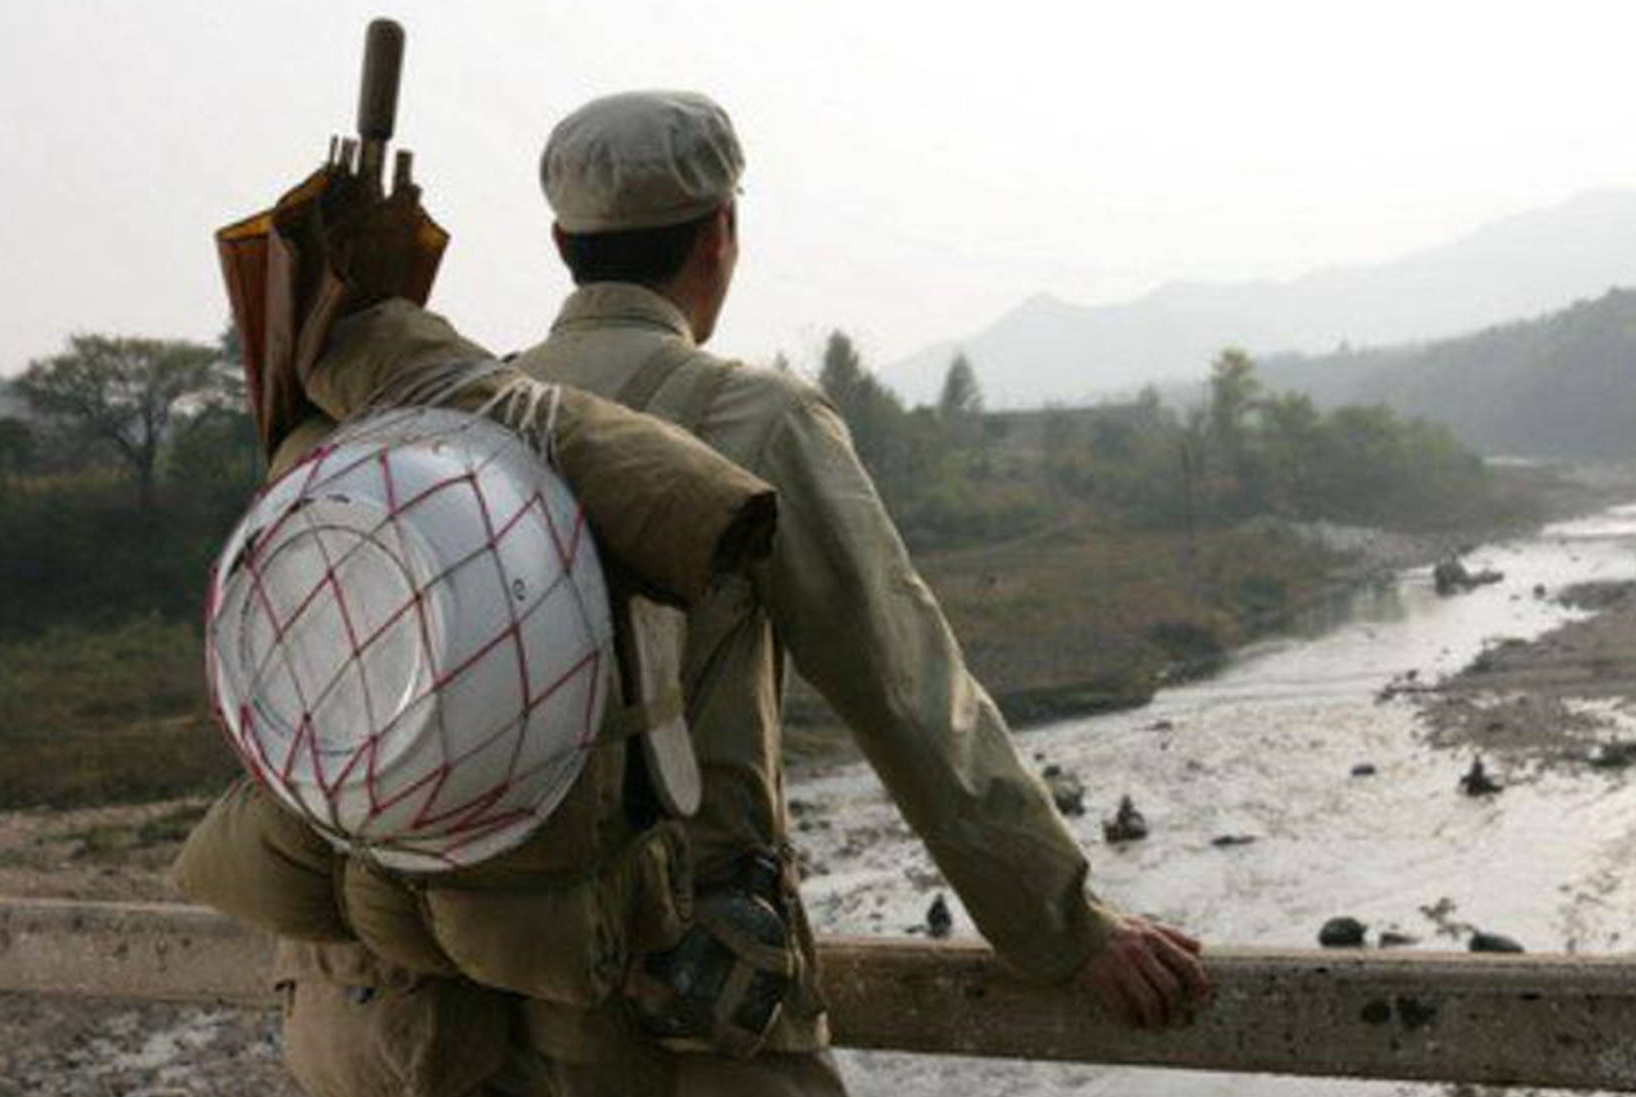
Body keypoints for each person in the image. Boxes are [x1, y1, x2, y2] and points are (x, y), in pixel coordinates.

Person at [498, 89, 1211, 1094]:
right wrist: (1066, 927)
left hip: (501, 1006)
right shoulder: (755, 418)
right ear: (722, 233)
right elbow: (904, 685)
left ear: (563, 240)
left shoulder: (479, 413)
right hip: (702, 1010)